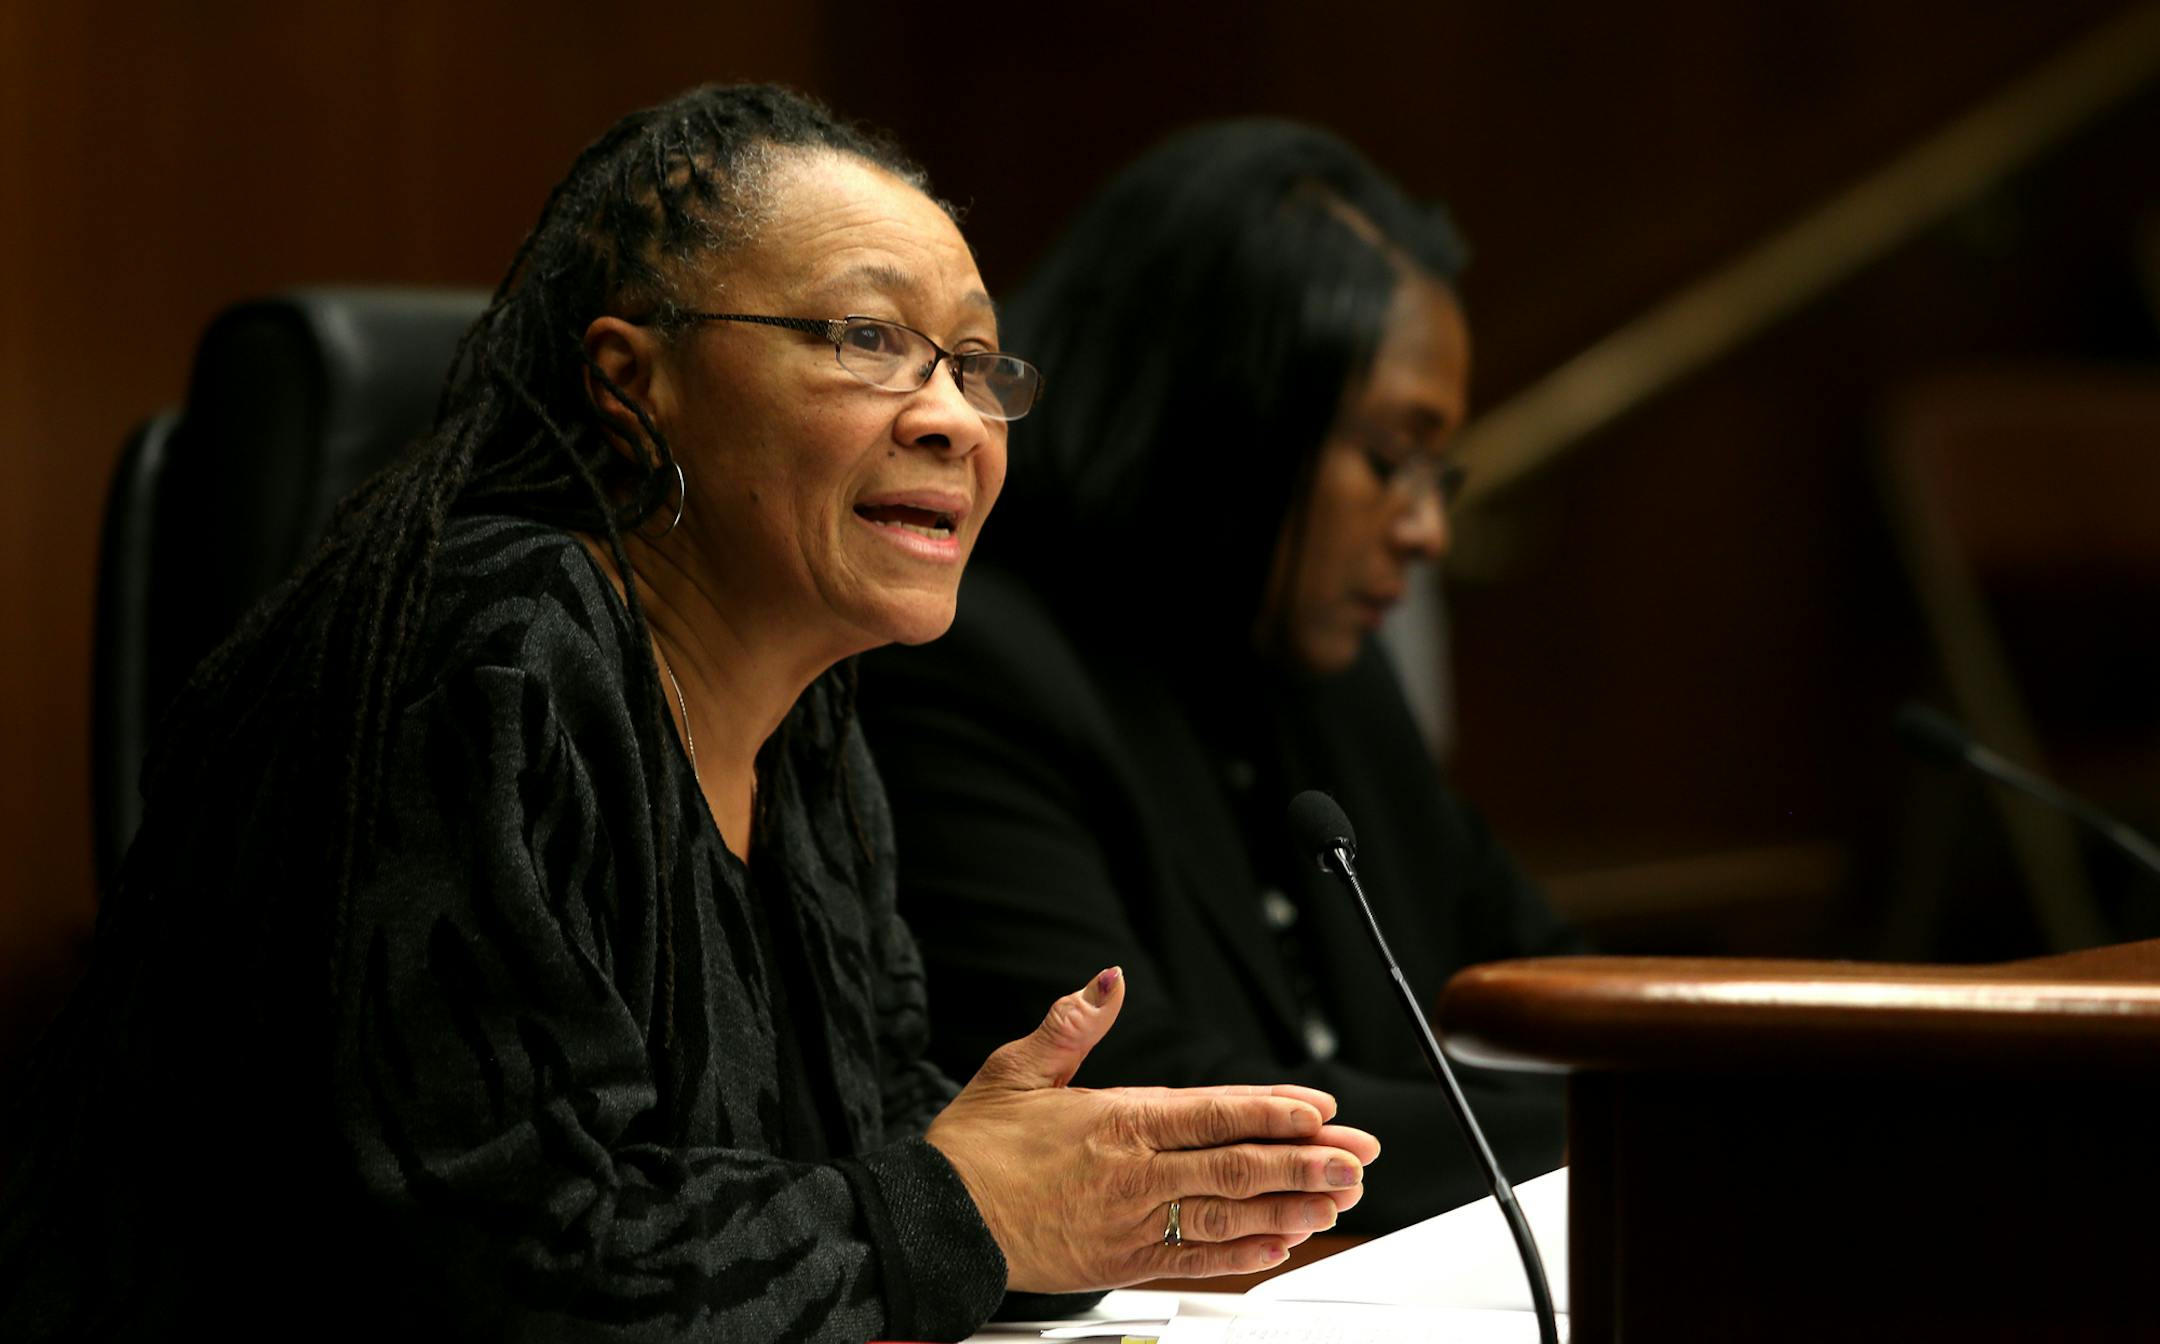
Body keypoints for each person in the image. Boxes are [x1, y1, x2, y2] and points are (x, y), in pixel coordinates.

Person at [0, 88, 1382, 1342]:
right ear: (630, 382)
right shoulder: (492, 663)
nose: (955, 416)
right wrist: (960, 1212)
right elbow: (520, 1266)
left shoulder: (814, 723)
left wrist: (1070, 1200)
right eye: (869, 340)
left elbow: (865, 1160)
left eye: (976, 364)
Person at [859, 120, 1584, 1232]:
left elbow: (1539, 977)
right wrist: (1637, 1127)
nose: (1428, 531)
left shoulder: (1327, 671)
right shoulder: (961, 669)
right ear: (1224, 418)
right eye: (1392, 459)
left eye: (1440, 471)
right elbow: (1155, 1113)